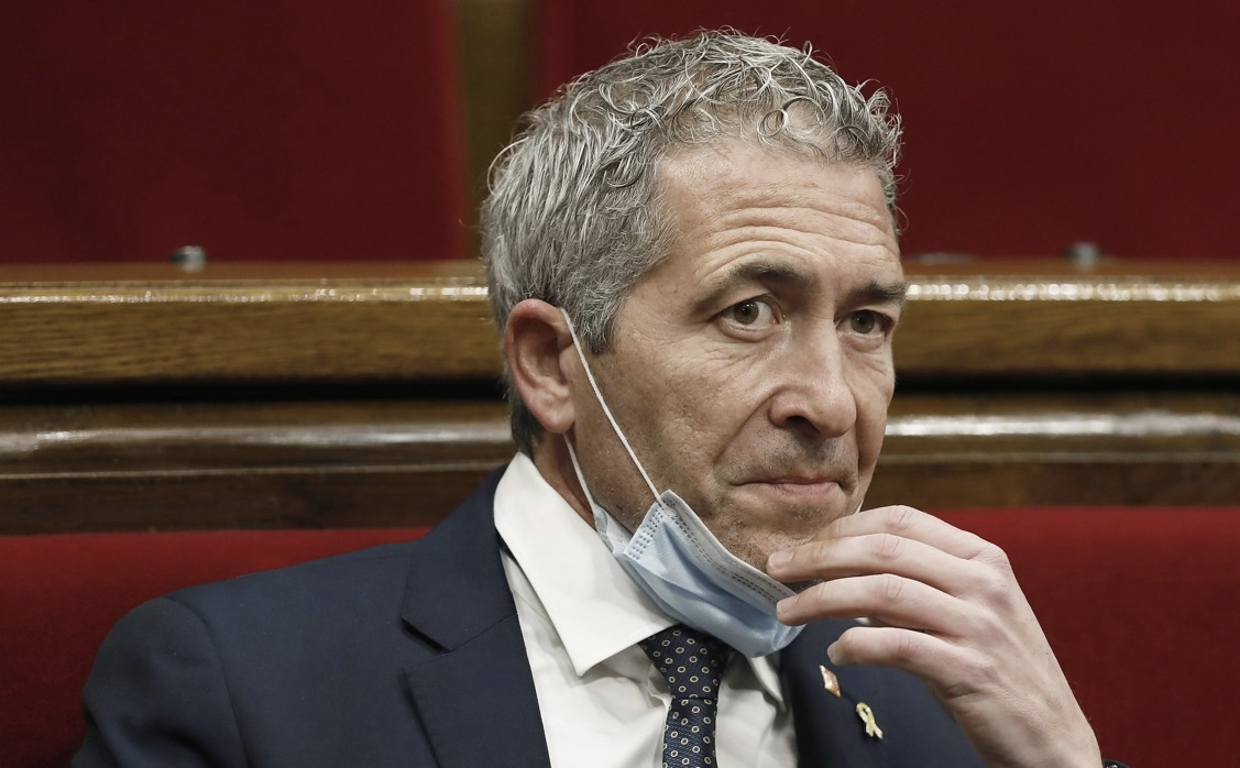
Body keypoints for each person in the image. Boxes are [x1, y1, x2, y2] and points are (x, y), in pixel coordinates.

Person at [76, 31, 1123, 767]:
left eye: (865, 323)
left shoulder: (936, 696)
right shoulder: (244, 690)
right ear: (549, 364)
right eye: (749, 312)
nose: (833, 404)